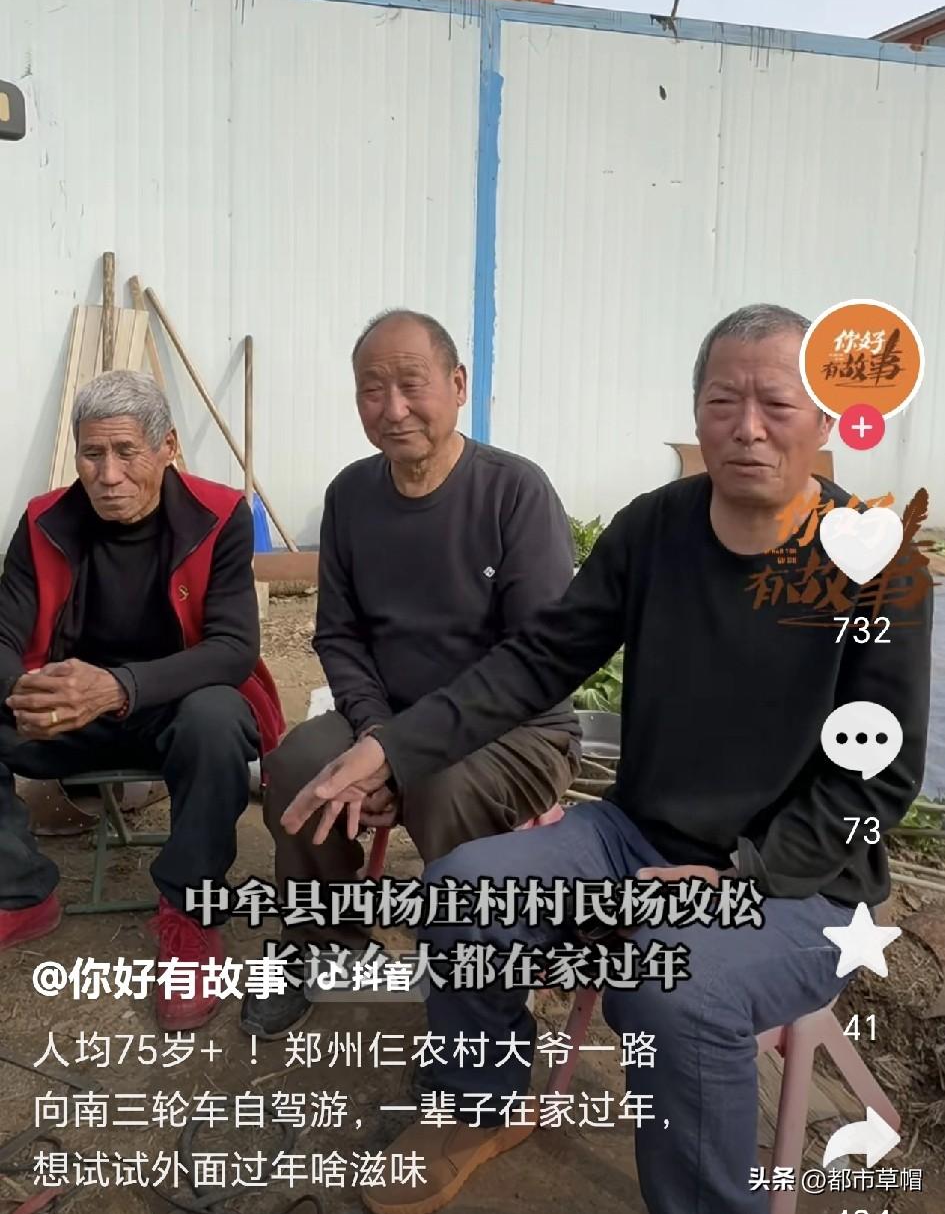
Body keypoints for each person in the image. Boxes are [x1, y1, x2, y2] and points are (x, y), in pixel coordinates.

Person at [281, 303, 932, 1214]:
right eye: (722, 402)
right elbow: (537, 660)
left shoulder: (878, 564)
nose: (746, 428)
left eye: (775, 405)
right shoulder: (655, 528)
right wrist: (389, 747)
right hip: (632, 836)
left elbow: (878, 777)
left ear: (822, 417)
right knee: (462, 893)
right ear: (695, 411)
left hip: (801, 882)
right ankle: (477, 1104)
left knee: (672, 988)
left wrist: (744, 874)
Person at [241, 309, 582, 1040]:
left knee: (440, 782)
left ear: (457, 385)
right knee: (298, 765)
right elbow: (339, 635)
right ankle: (322, 943)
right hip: (387, 717)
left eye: (411, 384)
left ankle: (477, 978)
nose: (392, 409)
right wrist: (375, 735)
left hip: (516, 732)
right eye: (372, 389)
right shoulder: (351, 496)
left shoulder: (515, 493)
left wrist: (397, 756)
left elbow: (535, 661)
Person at [0, 369, 284, 1030]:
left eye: (127, 452)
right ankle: (19, 891)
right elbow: (4, 636)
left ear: (168, 447)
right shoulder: (43, 521)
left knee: (215, 717)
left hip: (171, 705)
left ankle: (189, 912)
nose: (108, 475)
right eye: (92, 454)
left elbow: (233, 647)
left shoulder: (219, 515)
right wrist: (27, 691)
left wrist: (118, 687)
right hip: (69, 714)